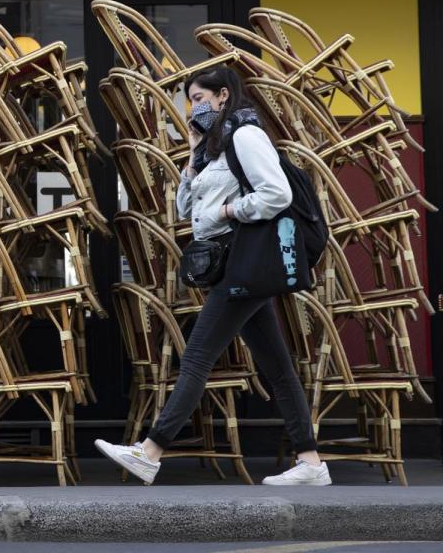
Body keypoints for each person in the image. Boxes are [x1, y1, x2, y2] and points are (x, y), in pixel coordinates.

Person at [95, 66, 330, 486]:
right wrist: (192, 152)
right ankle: (311, 463)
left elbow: (278, 193)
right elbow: (186, 211)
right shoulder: (213, 147)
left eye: (200, 98)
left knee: (198, 357)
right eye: (190, 100)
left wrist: (229, 211)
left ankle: (150, 451)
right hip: (235, 264)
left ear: (223, 96)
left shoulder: (245, 135)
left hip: (245, 261)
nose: (193, 107)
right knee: (277, 367)